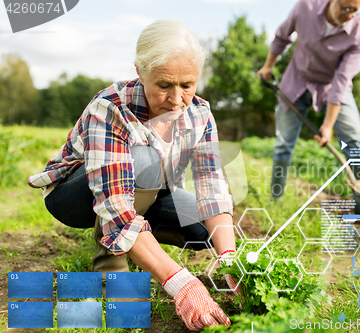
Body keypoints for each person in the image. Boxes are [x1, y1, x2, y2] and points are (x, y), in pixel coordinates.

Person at [28, 19, 239, 331]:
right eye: (164, 85)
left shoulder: (201, 113)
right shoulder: (111, 108)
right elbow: (115, 204)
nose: (177, 99)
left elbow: (211, 185)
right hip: (76, 195)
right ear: (141, 72)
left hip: (149, 192)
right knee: (146, 159)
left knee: (201, 228)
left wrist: (230, 257)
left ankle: (138, 241)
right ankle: (109, 265)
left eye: (187, 85)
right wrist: (180, 282)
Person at [257, 0, 360, 217]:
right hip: (296, 81)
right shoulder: (306, 6)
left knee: (355, 140)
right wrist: (268, 66)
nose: (350, 14)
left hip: (332, 87)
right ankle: (275, 199)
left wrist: (328, 125)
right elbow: (282, 36)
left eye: (356, 9)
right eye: (346, 8)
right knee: (284, 144)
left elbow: (342, 80)